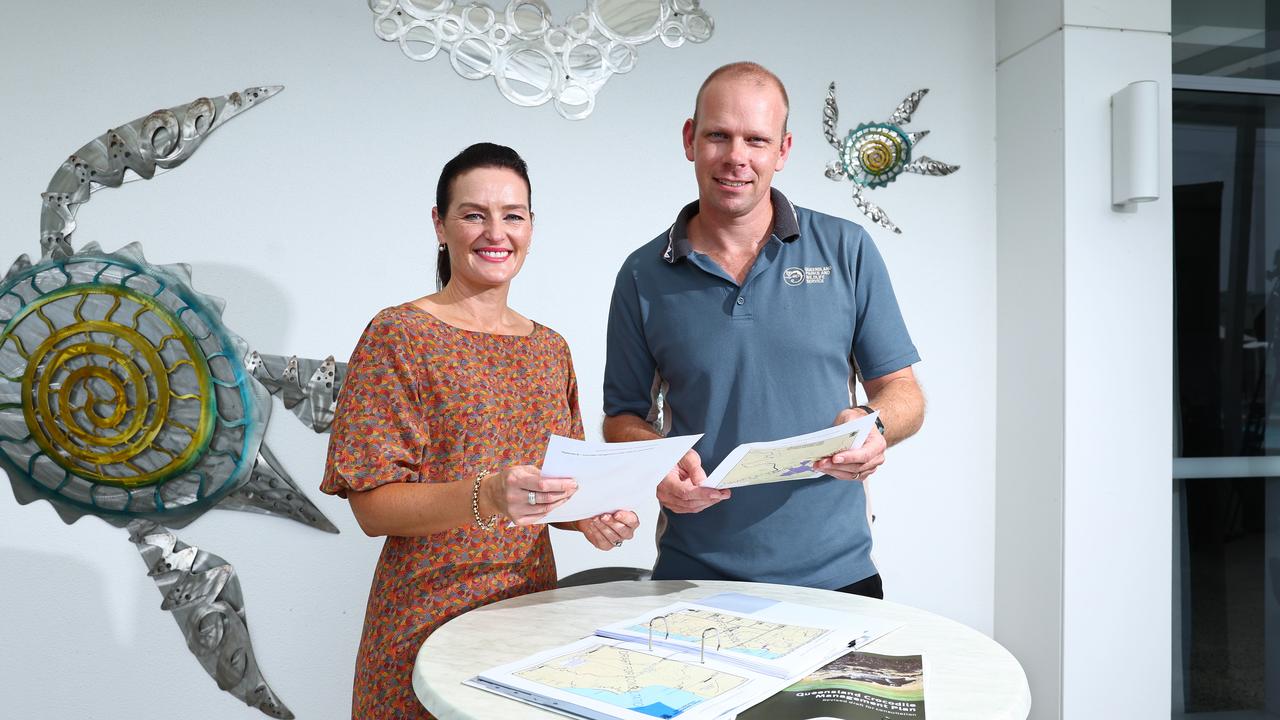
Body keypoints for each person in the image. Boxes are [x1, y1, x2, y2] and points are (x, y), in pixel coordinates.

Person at [322, 142, 640, 720]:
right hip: (420, 621)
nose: (496, 232)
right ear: (440, 226)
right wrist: (486, 495)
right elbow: (371, 508)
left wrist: (586, 513)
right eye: (474, 214)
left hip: (528, 620)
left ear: (531, 227)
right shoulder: (399, 336)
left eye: (512, 215)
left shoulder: (549, 348)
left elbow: (548, 488)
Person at [603, 63, 925, 598]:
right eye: (718, 136)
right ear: (690, 139)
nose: (737, 157)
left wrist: (877, 424)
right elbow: (622, 419)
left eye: (756, 139)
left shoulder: (847, 250)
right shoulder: (642, 275)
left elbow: (905, 394)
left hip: (838, 579)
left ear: (783, 150)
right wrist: (653, 461)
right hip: (692, 580)